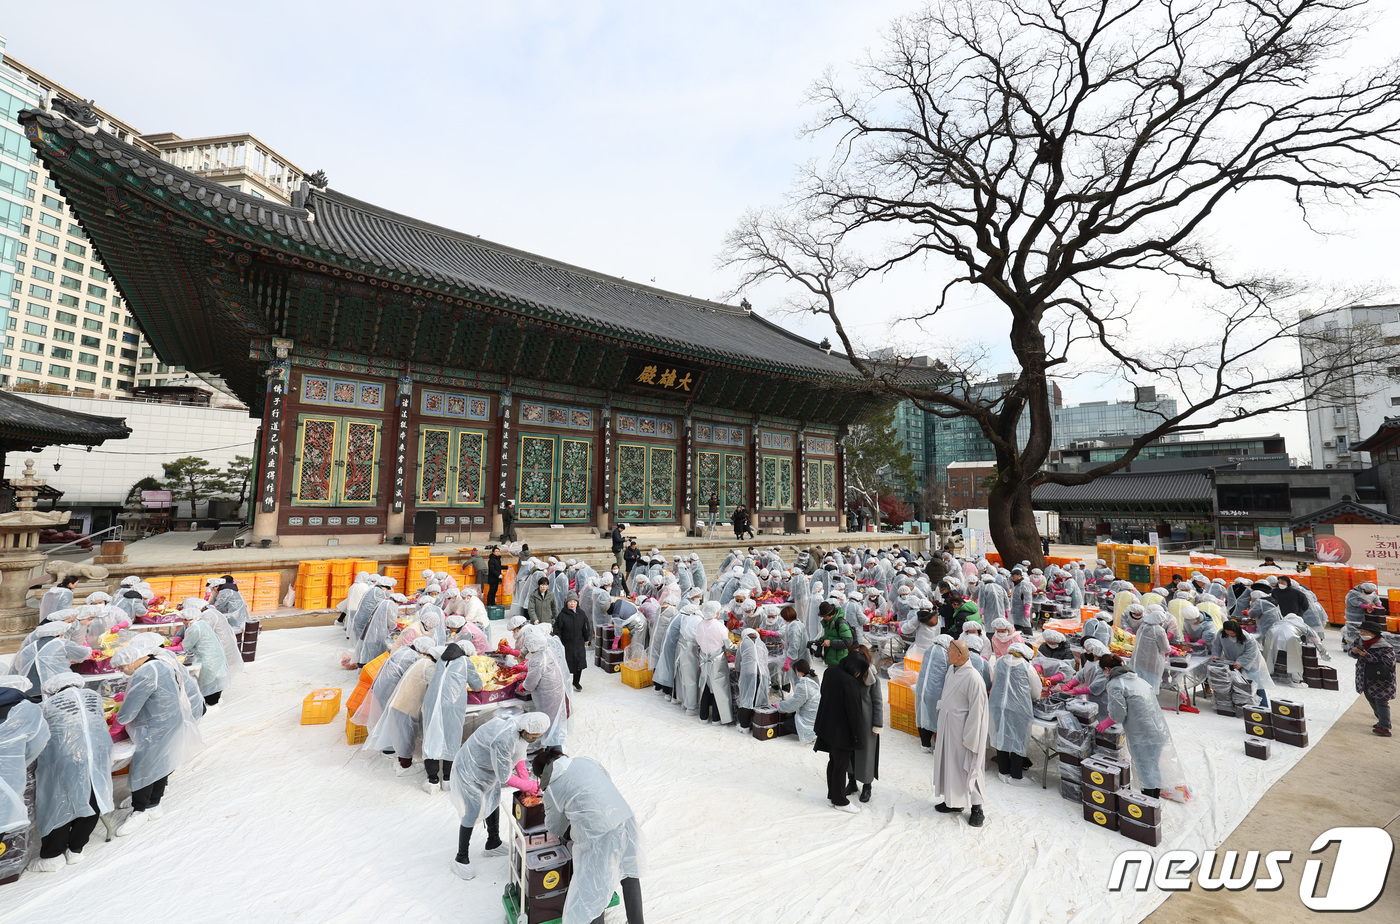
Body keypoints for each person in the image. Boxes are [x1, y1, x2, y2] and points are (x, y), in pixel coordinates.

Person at [534, 749, 645, 924]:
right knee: (629, 873)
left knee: (591, 888)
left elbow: (555, 827)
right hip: (624, 818)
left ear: (542, 775)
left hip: (597, 834)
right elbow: (604, 782)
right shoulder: (586, 761)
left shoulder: (552, 789)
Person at [111, 641, 204, 836]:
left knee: (143, 767)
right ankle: (154, 803)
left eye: (121, 667)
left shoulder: (145, 673)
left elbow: (130, 710)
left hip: (154, 726)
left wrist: (117, 721)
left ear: (132, 661)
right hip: (170, 721)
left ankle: (140, 810)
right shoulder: (160, 663)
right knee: (162, 761)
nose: (122, 671)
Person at [448, 712, 550, 879]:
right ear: (526, 730)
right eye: (534, 736)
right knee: (473, 810)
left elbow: (519, 758)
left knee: (492, 801)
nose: (534, 739)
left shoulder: (521, 730)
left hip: (489, 769)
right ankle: (461, 858)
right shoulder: (505, 738)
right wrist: (529, 785)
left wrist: (526, 782)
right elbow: (504, 777)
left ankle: (493, 842)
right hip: (470, 769)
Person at [29, 672, 112, 871]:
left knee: (58, 801)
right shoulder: (94, 697)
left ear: (52, 690)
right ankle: (76, 849)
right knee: (94, 796)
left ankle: (53, 856)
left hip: (65, 758)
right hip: (99, 753)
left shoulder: (47, 706)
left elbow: (37, 736)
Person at [1102, 654, 1188, 800]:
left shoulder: (1116, 684)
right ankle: (1154, 801)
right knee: (1153, 765)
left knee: (1145, 768)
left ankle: (1148, 804)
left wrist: (1106, 722)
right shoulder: (1139, 680)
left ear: (1106, 669)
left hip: (1140, 733)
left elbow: (1119, 714)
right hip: (1158, 731)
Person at [931, 639, 989, 827]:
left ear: (959, 655)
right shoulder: (952, 670)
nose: (946, 653)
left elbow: (977, 712)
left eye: (949, 651)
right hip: (949, 728)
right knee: (950, 766)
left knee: (969, 767)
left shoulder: (974, 678)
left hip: (965, 733)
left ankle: (977, 808)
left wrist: (970, 738)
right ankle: (954, 802)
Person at [0, 674, 48, 884]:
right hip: (10, 778)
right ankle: (7, 870)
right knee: (8, 823)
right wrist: (19, 763)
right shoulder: (26, 711)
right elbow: (39, 741)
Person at [421, 642, 485, 792]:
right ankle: (447, 779)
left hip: (431, 702)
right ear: (466, 653)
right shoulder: (465, 661)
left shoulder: (441, 660)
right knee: (452, 739)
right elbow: (477, 685)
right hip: (452, 704)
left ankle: (433, 780)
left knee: (431, 738)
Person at [813, 648, 867, 814]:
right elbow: (854, 713)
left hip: (827, 725)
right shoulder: (850, 682)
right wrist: (859, 737)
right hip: (842, 731)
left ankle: (832, 795)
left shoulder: (831, 671)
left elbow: (824, 693)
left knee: (833, 762)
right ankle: (840, 800)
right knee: (840, 765)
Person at [988, 642, 1041, 786]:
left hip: (999, 706)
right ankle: (1016, 776)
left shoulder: (999, 662)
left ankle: (1003, 772)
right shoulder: (1027, 667)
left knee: (1002, 735)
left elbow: (994, 681)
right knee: (1018, 740)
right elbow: (1036, 692)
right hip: (1019, 709)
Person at [520, 627, 570, 747]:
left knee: (550, 729)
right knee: (556, 727)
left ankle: (553, 757)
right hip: (559, 693)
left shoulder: (538, 660)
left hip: (548, 698)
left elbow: (530, 684)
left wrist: (523, 684)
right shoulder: (550, 650)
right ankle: (554, 753)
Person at [177, 599, 230, 709]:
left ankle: (212, 704)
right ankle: (214, 700)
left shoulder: (195, 628)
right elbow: (183, 631)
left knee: (209, 681)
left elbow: (184, 646)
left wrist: (168, 648)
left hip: (208, 657)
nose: (183, 621)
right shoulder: (200, 622)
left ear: (188, 619)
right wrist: (177, 638)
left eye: (183, 619)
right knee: (214, 679)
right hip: (214, 655)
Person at [847, 646, 883, 803]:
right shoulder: (847, 675)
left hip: (867, 724)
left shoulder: (872, 678)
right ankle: (852, 782)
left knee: (867, 754)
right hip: (849, 721)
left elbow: (878, 702)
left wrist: (877, 724)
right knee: (849, 753)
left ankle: (867, 786)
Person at [1211, 620, 1270, 706]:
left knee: (1254, 683)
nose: (1230, 635)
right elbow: (1217, 645)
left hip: (1251, 662)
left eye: (1232, 634)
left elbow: (1250, 653)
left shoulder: (1247, 638)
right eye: (1228, 633)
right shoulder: (1221, 633)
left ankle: (1263, 705)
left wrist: (1240, 662)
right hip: (1232, 661)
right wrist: (1216, 655)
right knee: (1236, 682)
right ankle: (1240, 704)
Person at [1352, 621, 1395, 737]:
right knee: (1370, 698)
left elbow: (1388, 662)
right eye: (1361, 631)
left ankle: (1385, 727)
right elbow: (1352, 654)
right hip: (1365, 677)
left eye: (1365, 631)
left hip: (1381, 679)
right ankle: (1382, 720)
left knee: (1381, 701)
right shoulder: (1359, 641)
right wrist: (1354, 652)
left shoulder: (1385, 646)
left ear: (1374, 633)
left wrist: (1367, 656)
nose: (1362, 633)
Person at [915, 635, 952, 752]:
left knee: (922, 715)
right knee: (937, 718)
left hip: (921, 688)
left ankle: (925, 745)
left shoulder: (928, 650)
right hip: (936, 690)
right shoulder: (945, 654)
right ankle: (939, 747)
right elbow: (949, 671)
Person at [776, 659, 821, 743]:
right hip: (817, 719)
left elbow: (792, 704)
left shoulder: (804, 685)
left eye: (796, 671)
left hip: (809, 722)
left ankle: (809, 735)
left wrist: (779, 705)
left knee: (787, 724)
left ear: (801, 672)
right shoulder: (814, 680)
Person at [554, 593, 591, 693]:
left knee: (579, 663)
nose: (572, 604)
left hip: (579, 643)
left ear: (577, 602)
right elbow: (557, 630)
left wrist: (587, 639)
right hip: (567, 644)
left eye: (574, 601)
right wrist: (558, 642)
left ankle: (576, 682)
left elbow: (585, 627)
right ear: (567, 603)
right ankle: (565, 682)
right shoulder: (562, 615)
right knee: (566, 664)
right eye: (570, 602)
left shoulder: (581, 613)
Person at [734, 628, 770, 729]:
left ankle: (744, 725)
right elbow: (765, 661)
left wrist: (738, 669)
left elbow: (737, 664)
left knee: (746, 699)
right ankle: (758, 723)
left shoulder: (742, 644)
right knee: (759, 699)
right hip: (763, 674)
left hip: (748, 674)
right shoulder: (762, 644)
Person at [1131, 607, 1171, 695]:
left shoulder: (1143, 626)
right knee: (1150, 687)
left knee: (1139, 685)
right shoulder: (1159, 630)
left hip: (1138, 659)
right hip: (1152, 663)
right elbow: (1166, 648)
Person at [816, 601, 855, 668]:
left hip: (840, 659)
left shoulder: (841, 624)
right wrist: (822, 639)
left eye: (824, 616)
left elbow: (848, 642)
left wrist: (831, 643)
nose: (823, 618)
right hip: (831, 658)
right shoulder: (829, 623)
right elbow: (830, 636)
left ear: (831, 615)